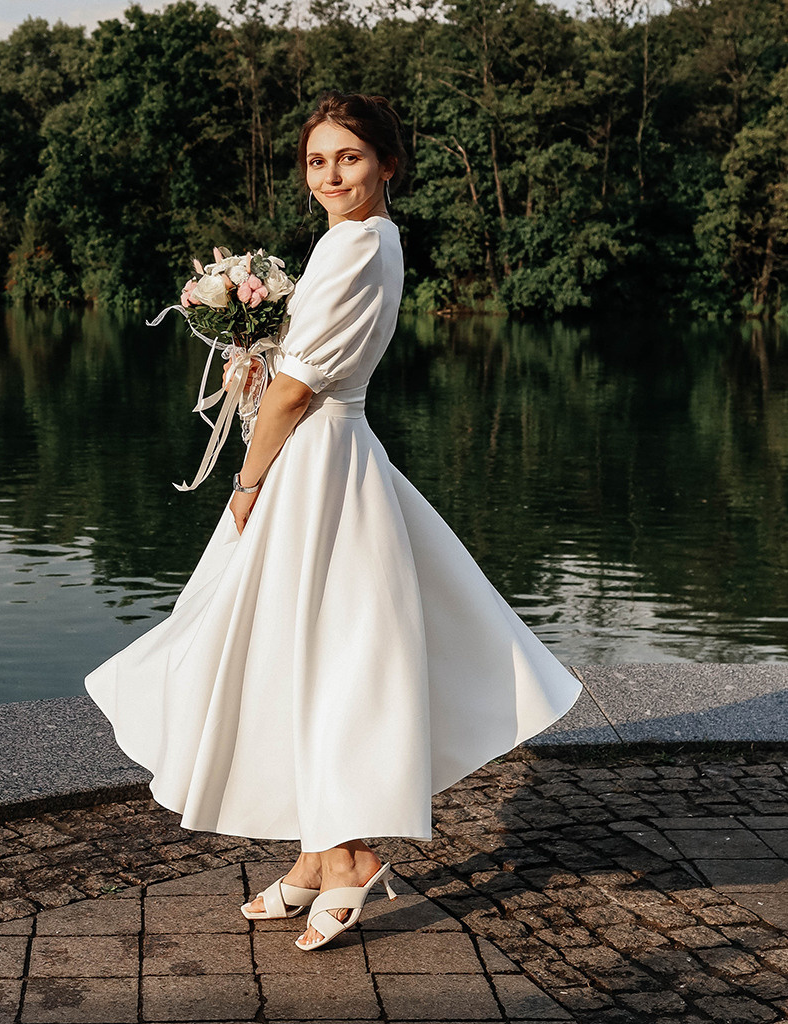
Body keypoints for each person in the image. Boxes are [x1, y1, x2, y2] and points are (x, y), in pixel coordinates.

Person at [84, 92, 581, 952]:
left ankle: (348, 857)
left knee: (303, 653)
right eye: (317, 161)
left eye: (348, 158)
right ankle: (320, 856)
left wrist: (244, 483)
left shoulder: (356, 248)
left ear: (387, 163)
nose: (330, 176)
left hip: (316, 466)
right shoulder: (363, 241)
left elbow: (296, 390)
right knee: (303, 653)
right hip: (333, 460)